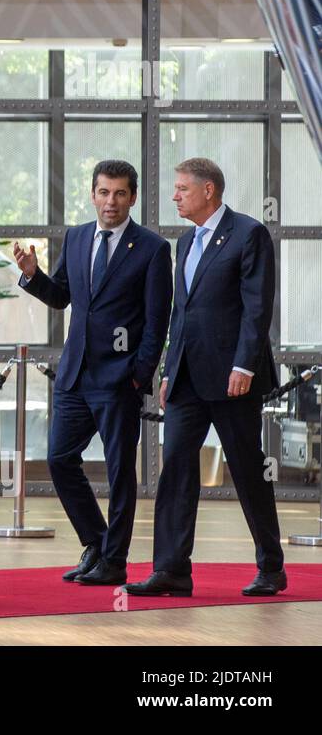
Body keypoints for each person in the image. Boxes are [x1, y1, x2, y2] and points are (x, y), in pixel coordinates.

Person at [124, 158, 286, 599]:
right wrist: (169, 369)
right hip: (187, 379)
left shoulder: (248, 233)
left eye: (182, 189)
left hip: (234, 377)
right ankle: (171, 569)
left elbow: (257, 309)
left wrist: (244, 366)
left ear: (208, 190)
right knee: (175, 467)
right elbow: (183, 312)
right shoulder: (184, 240)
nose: (174, 195)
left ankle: (271, 567)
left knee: (248, 470)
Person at [13, 160, 171, 586]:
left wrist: (139, 374)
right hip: (74, 375)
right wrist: (32, 275)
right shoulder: (78, 237)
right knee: (60, 460)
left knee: (121, 470)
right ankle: (97, 543)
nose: (111, 202)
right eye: (104, 192)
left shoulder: (153, 249)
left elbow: (158, 322)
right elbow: (62, 297)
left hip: (119, 379)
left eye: (120, 193)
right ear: (93, 194)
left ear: (132, 197)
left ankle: (115, 561)